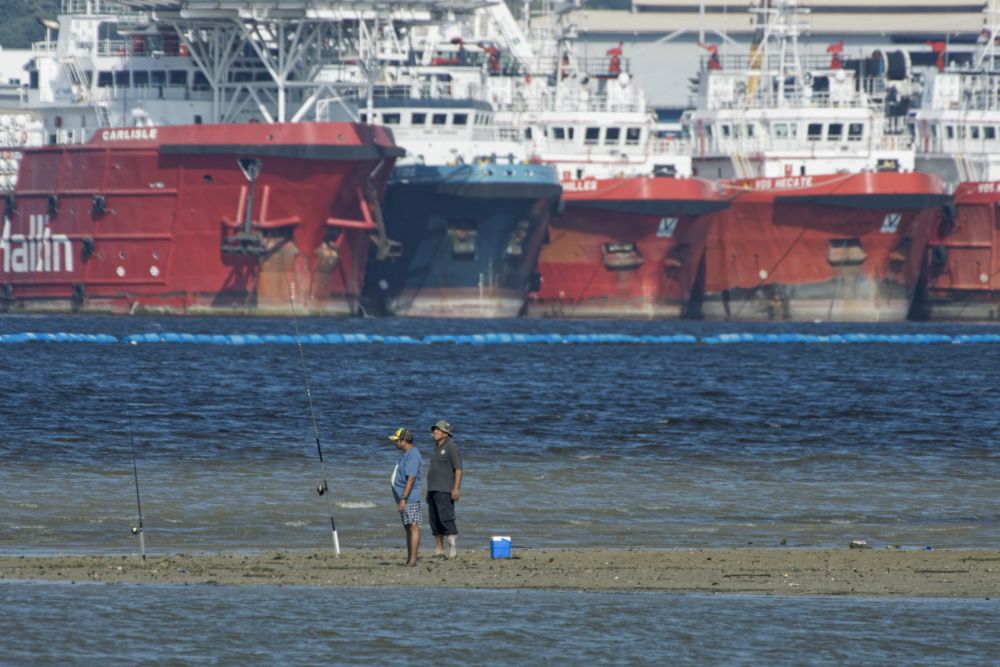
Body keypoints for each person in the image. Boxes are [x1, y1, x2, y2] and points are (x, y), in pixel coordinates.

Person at [426, 419, 463, 558]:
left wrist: (456, 488)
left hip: (445, 489)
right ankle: (439, 550)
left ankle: (452, 548)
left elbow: (458, 468)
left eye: (438, 429)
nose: (435, 432)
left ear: (446, 433)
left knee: (446, 519)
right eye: (434, 429)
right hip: (432, 490)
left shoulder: (451, 446)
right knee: (434, 522)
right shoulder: (436, 447)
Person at [387, 427, 421, 566]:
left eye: (396, 440)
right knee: (408, 527)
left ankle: (412, 560)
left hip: (409, 498)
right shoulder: (407, 454)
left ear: (404, 441)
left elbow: (411, 479)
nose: (394, 443)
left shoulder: (413, 454)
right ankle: (410, 558)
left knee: (412, 526)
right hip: (404, 497)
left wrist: (403, 499)